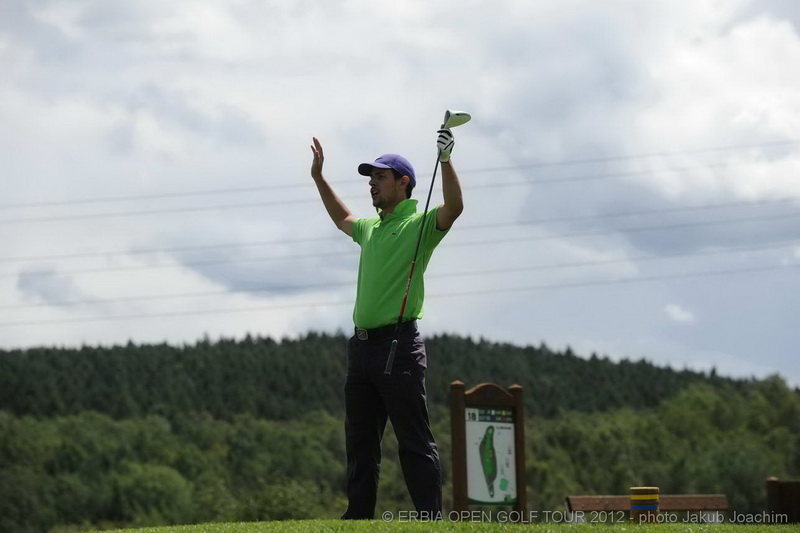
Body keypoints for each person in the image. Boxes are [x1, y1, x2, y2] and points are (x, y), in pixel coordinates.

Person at [309, 127, 463, 519]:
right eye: (370, 178)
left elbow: (454, 208)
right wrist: (319, 178)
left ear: (403, 182)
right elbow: (343, 218)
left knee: (413, 440)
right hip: (361, 348)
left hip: (400, 347)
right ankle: (358, 517)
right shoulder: (370, 228)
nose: (372, 184)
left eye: (380, 176)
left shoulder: (420, 225)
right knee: (360, 441)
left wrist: (446, 161)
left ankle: (430, 518)